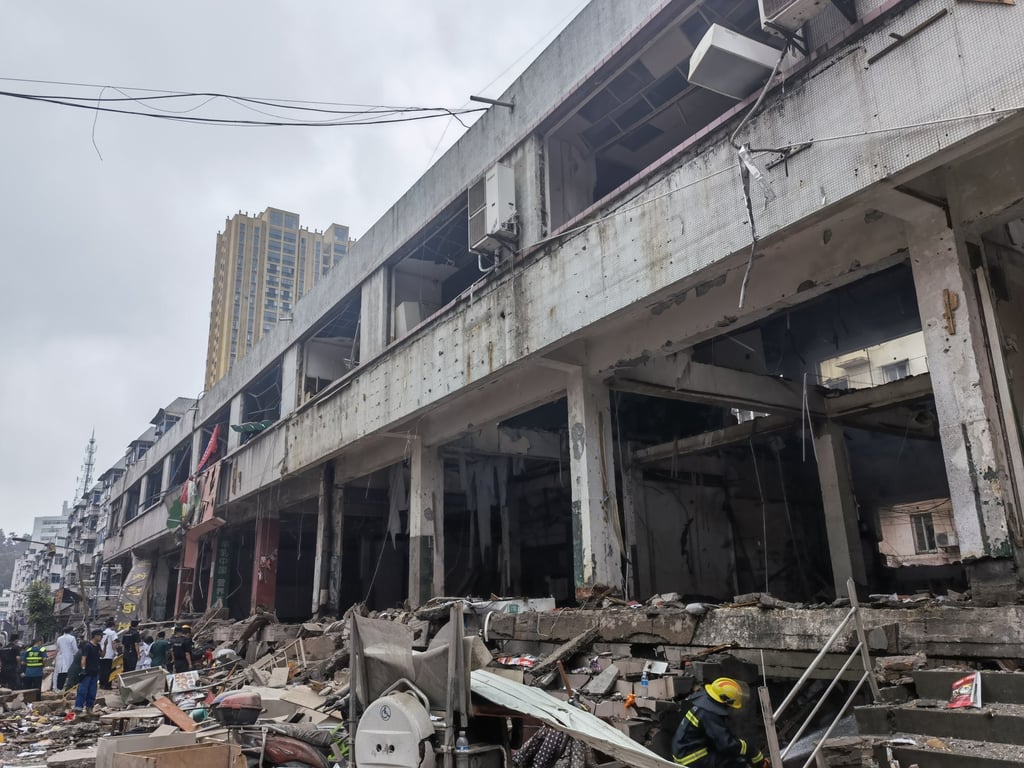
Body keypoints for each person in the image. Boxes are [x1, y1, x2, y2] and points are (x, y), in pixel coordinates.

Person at [672, 677, 767, 768]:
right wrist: (751, 751)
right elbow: (727, 745)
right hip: (691, 758)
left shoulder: (705, 705)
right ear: (725, 701)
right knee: (737, 763)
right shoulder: (710, 714)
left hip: (685, 750)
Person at [74, 629, 103, 718]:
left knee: (92, 692)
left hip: (95, 672)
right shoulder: (88, 646)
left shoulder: (98, 646)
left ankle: (89, 708)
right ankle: (78, 709)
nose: (101, 637)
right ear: (96, 636)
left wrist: (105, 646)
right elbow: (84, 659)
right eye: (100, 636)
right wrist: (83, 669)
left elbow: (102, 655)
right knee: (83, 691)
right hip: (87, 672)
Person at [99, 618, 118, 689]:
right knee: (108, 670)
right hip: (109, 654)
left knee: (102, 670)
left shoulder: (102, 633)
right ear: (112, 626)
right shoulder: (112, 633)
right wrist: (115, 651)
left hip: (102, 654)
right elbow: (114, 643)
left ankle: (102, 684)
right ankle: (107, 685)